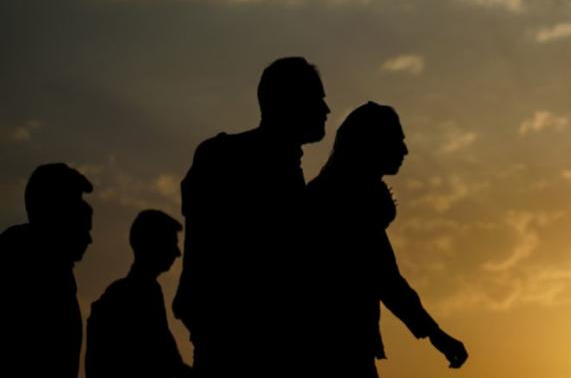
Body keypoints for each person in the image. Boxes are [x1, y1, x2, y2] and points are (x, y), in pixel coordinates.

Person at [173, 57, 330, 376]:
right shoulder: (226, 159)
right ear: (289, 102)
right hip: (242, 345)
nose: (326, 110)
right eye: (318, 99)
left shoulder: (239, 160)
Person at [306, 102, 468, 378]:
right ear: (372, 143)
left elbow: (385, 278)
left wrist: (433, 333)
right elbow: (385, 278)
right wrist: (435, 334)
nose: (405, 150)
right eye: (397, 141)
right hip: (334, 349)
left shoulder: (343, 196)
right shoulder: (347, 202)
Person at [0, 162, 94, 378]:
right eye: (75, 209)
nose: (88, 238)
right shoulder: (32, 265)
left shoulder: (55, 267)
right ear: (57, 213)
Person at [86, 209, 192, 378]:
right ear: (155, 244)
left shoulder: (136, 291)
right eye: (172, 243)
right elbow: (164, 362)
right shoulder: (140, 294)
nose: (177, 253)